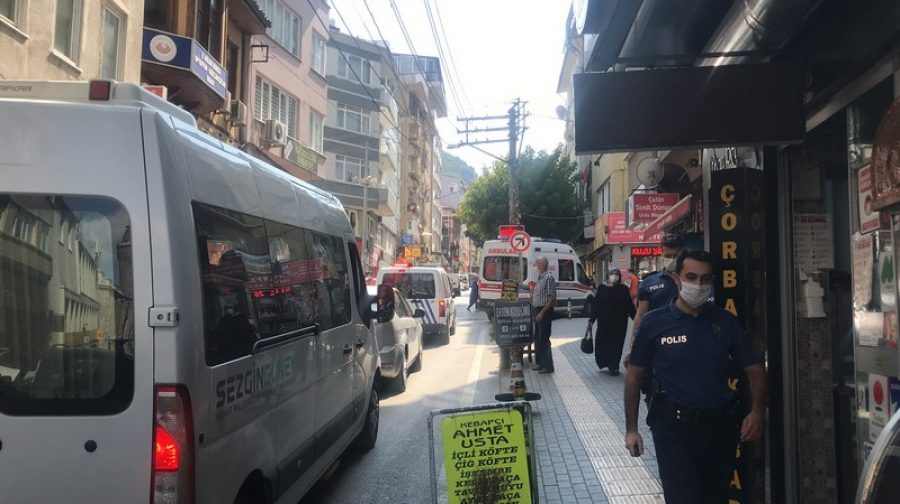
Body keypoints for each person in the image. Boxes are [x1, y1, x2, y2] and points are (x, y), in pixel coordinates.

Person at [624, 250, 767, 504]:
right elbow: (634, 376)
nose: (698, 284)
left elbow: (755, 370)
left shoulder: (725, 322)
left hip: (719, 429)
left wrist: (757, 412)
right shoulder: (654, 323)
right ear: (676, 278)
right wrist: (631, 430)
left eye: (705, 279)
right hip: (673, 430)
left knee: (716, 497)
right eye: (691, 277)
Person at [586, 269, 636, 375]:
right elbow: (596, 305)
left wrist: (636, 318)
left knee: (616, 344)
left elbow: (629, 305)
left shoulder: (623, 289)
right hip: (604, 322)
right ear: (608, 275)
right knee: (603, 343)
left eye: (616, 274)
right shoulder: (602, 288)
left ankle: (614, 366)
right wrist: (591, 320)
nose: (614, 276)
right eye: (612, 274)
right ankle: (605, 362)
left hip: (619, 323)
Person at [530, 256, 556, 374]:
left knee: (544, 339)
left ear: (542, 265)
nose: (536, 266)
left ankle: (548, 366)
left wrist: (541, 313)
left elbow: (551, 299)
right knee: (538, 338)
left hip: (544, 311)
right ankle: (540, 363)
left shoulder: (548, 278)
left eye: (537, 264)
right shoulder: (540, 277)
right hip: (537, 310)